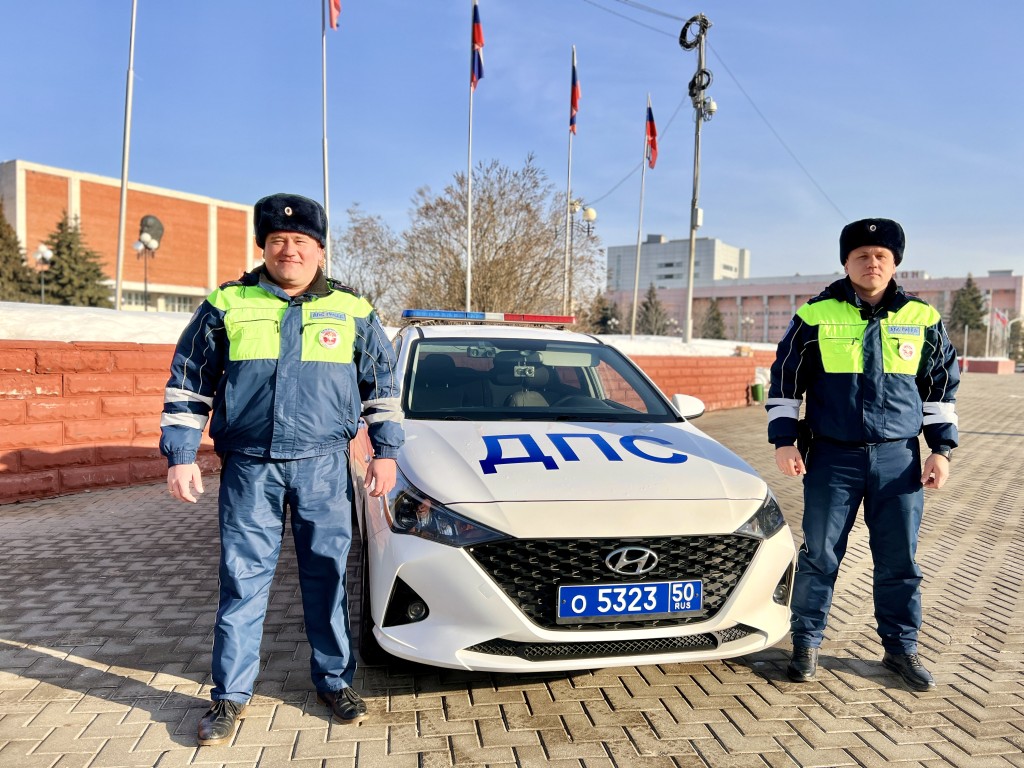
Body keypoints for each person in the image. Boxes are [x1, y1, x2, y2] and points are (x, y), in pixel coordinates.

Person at [160, 193, 403, 746]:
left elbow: (382, 389)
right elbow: (189, 380)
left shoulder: (354, 311)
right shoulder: (227, 303)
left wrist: (386, 452)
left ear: (319, 249)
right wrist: (181, 455)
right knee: (242, 581)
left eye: (299, 242)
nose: (288, 250)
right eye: (276, 241)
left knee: (329, 576)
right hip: (250, 468)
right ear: (263, 247)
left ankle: (334, 681)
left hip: (323, 467)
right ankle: (228, 697)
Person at [766, 218, 959, 691]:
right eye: (861, 255)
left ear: (894, 263)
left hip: (898, 460)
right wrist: (784, 440)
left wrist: (941, 450)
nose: (871, 263)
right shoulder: (815, 315)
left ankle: (900, 650)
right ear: (846, 262)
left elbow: (940, 390)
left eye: (880, 256)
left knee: (899, 561)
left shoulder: (922, 318)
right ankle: (806, 644)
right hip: (833, 458)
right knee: (819, 557)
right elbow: (785, 382)